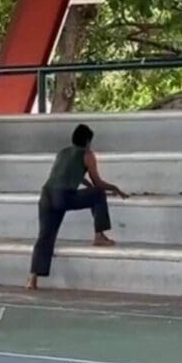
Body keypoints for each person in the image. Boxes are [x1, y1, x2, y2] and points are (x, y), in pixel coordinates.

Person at [27, 124, 129, 291]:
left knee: (45, 236)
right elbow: (98, 183)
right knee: (98, 193)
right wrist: (115, 188)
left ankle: (32, 278)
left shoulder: (63, 152)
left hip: (46, 195)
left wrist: (87, 185)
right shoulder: (88, 155)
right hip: (64, 196)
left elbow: (69, 174)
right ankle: (99, 235)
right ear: (88, 140)